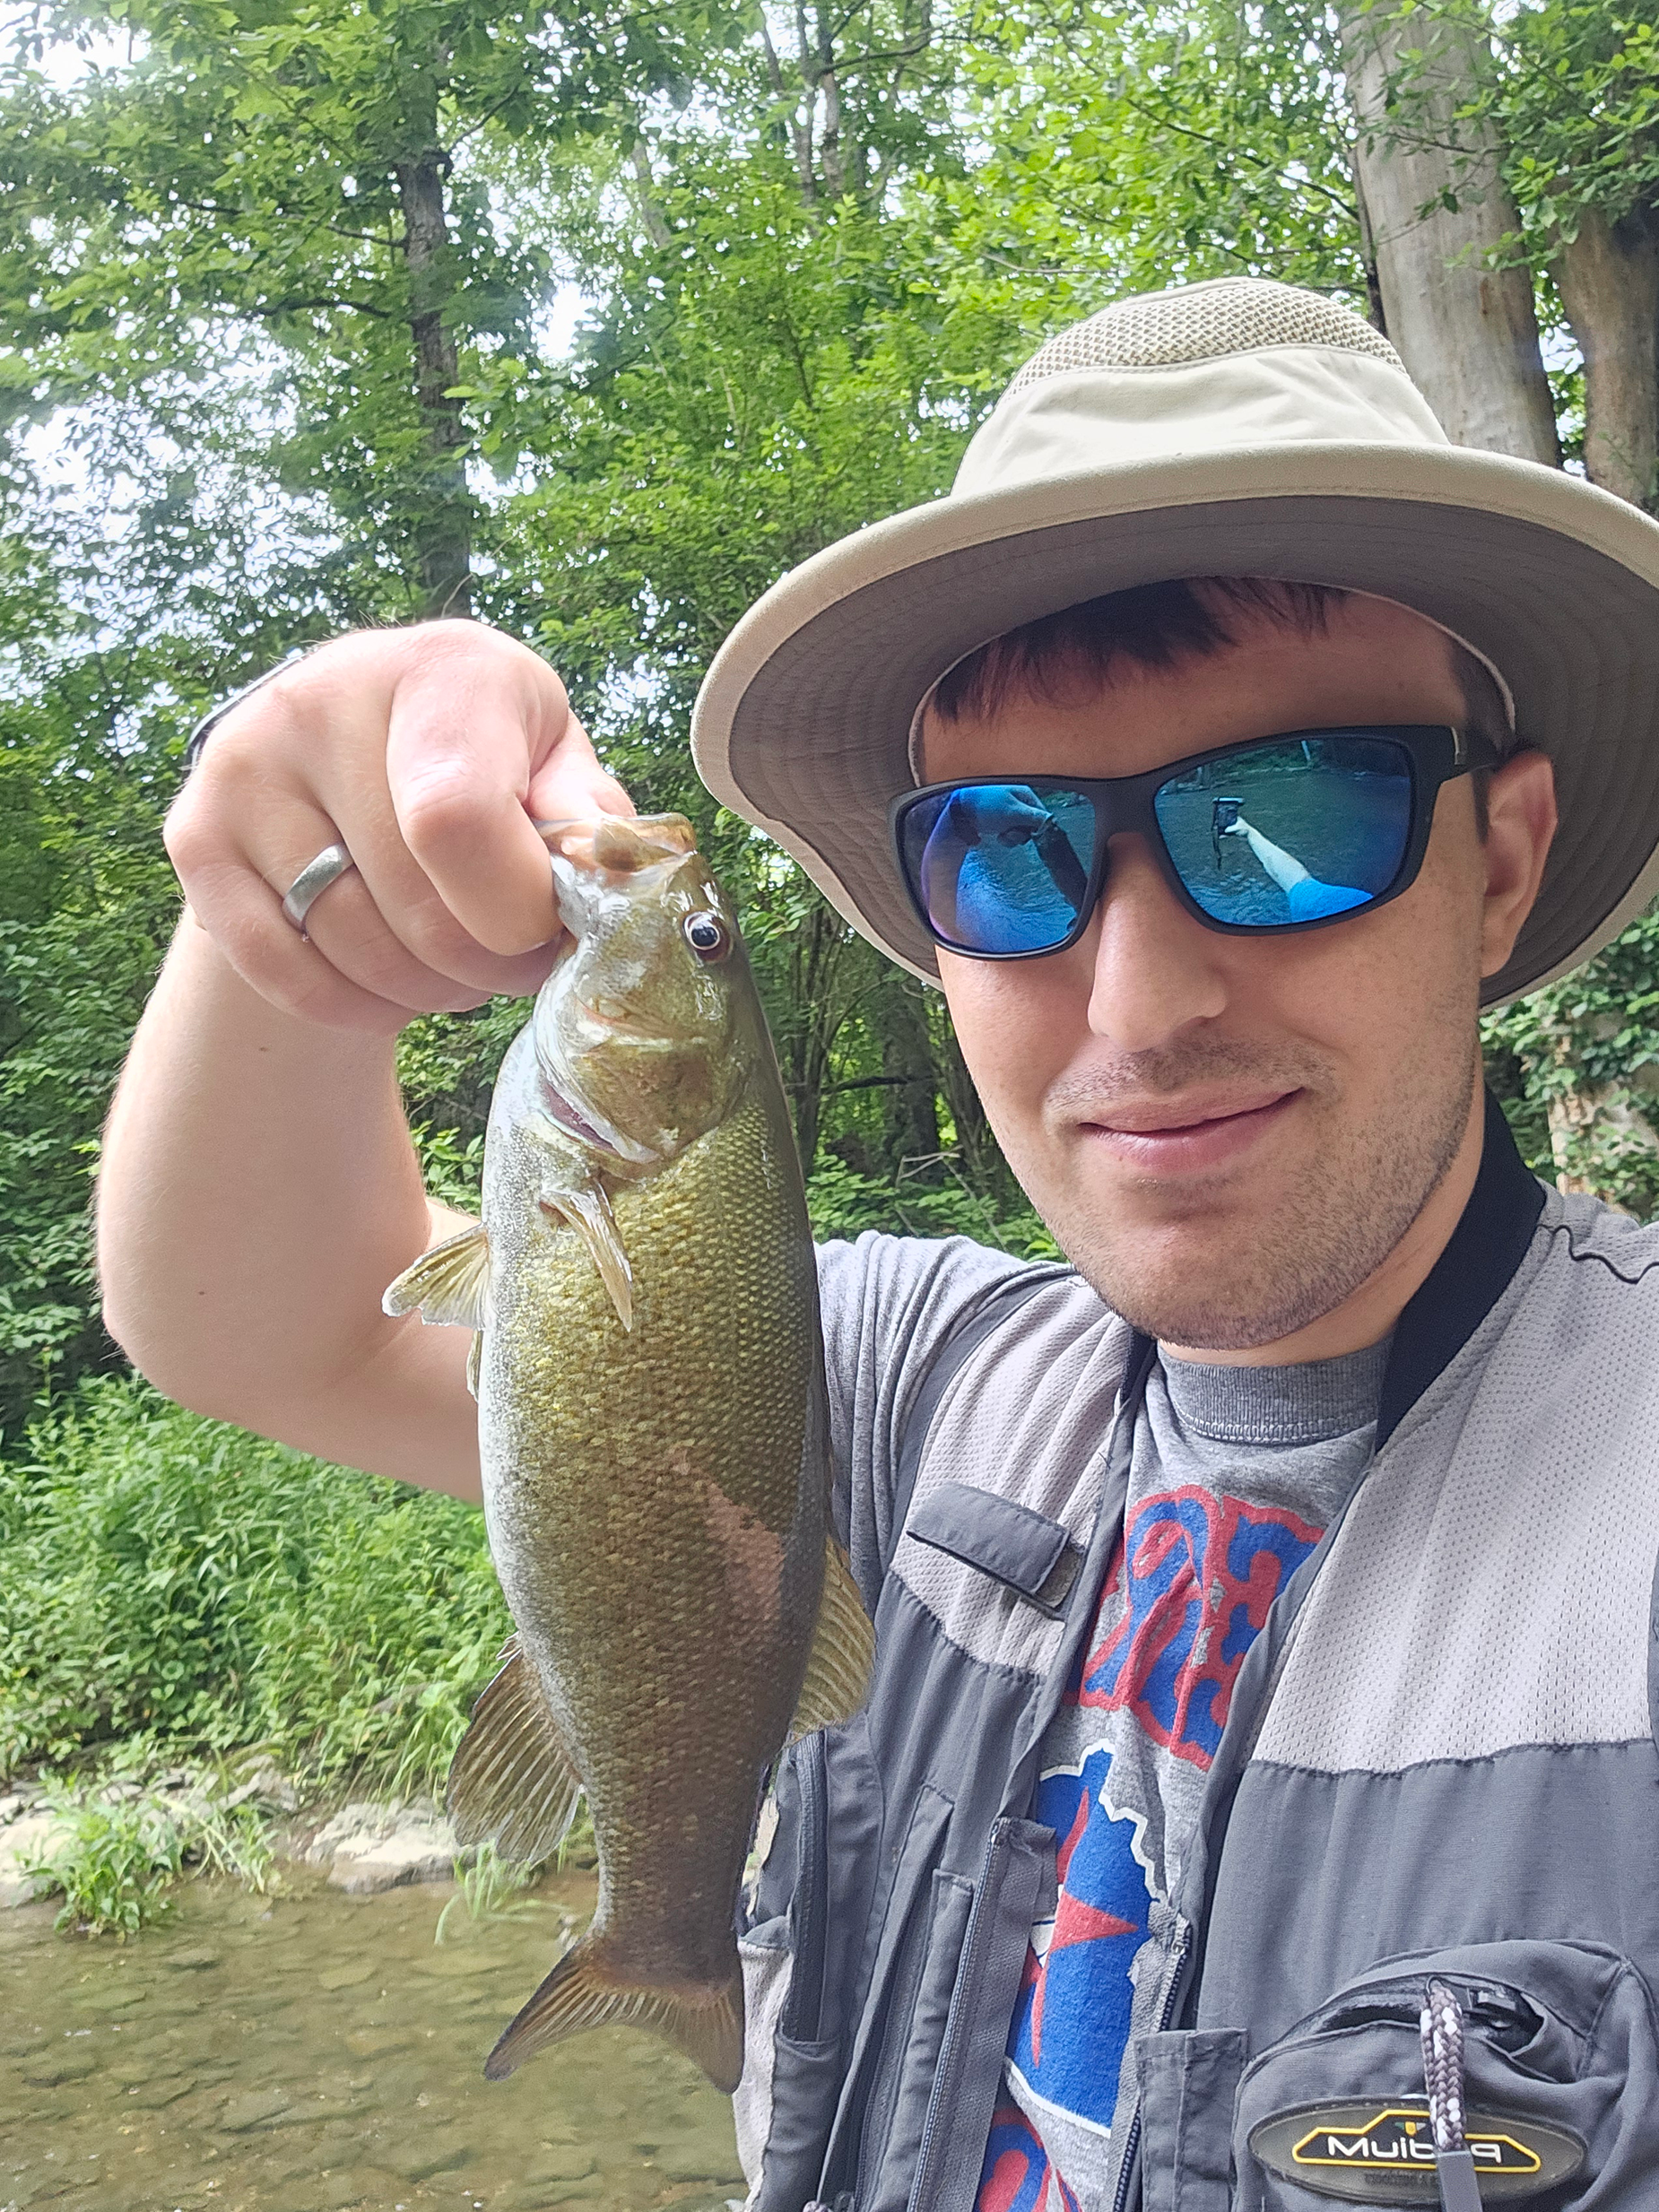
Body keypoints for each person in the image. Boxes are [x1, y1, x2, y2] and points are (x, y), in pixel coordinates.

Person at [98, 277, 1659, 2212]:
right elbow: (270, 1327)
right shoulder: (885, 1381)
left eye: (1289, 819)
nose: (1140, 994)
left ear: (1495, 866)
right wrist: (295, 941)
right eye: (1010, 851)